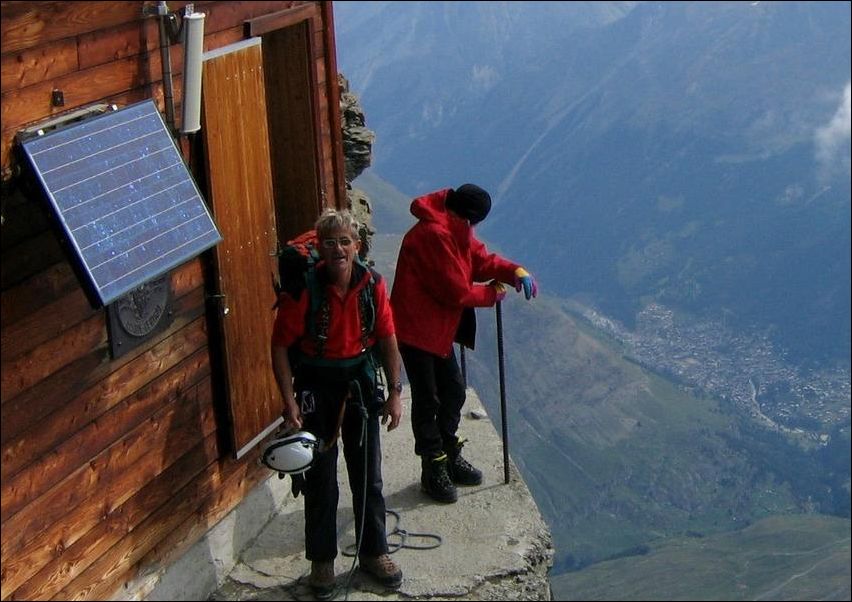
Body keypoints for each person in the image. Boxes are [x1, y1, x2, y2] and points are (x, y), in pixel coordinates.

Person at [271, 209, 404, 599]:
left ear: (356, 246)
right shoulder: (304, 290)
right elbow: (279, 346)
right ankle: (322, 562)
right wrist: (288, 401)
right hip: (317, 384)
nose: (338, 249)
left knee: (368, 474)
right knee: (320, 478)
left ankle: (374, 551)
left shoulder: (372, 285)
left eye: (345, 241)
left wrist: (395, 392)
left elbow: (388, 337)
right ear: (320, 248)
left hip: (360, 383)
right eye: (330, 243)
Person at [390, 183, 537, 504]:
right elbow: (455, 290)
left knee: (453, 391)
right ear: (469, 217)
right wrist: (493, 293)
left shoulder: (453, 227)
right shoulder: (435, 235)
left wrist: (514, 271)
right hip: (416, 330)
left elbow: (479, 259)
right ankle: (434, 466)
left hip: (436, 329)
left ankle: (446, 451)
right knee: (429, 399)